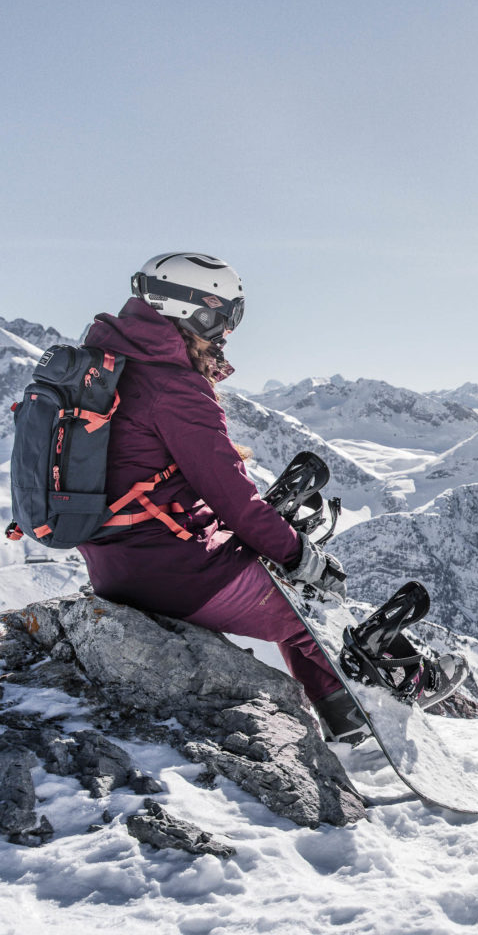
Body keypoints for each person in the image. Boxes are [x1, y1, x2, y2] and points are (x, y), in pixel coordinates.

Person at [78, 252, 367, 742]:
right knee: (306, 616)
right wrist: (302, 557)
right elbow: (235, 502)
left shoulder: (101, 370)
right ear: (194, 309)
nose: (227, 332)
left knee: (277, 574)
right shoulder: (176, 386)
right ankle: (357, 727)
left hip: (111, 565)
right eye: (225, 316)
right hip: (173, 572)